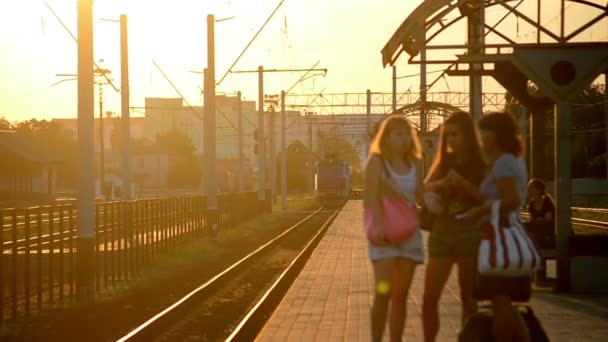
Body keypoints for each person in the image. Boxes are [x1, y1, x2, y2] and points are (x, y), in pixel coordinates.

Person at [462, 112, 531, 342]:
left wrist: (480, 211)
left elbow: (510, 201)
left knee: (500, 301)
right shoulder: (510, 160)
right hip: (503, 231)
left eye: (484, 131)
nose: (481, 136)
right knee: (505, 303)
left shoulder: (503, 163)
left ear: (495, 134)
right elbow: (492, 196)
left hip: (498, 235)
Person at [421, 111, 487, 342]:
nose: (450, 140)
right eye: (447, 135)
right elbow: (422, 191)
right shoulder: (443, 163)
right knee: (429, 296)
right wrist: (439, 184)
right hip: (440, 234)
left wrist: (464, 186)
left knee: (469, 299)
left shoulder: (480, 164)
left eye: (455, 135)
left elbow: (488, 200)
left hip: (469, 234)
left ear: (468, 135)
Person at [365, 115, 425, 342]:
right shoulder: (377, 162)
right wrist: (380, 226)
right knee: (383, 293)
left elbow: (419, 195)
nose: (404, 138)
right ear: (387, 138)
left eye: (407, 133)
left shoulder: (415, 163)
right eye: (398, 134)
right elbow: (371, 197)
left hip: (409, 235)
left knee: (400, 297)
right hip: (384, 237)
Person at [527, 178, 556, 250]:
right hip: (539, 233)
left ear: (538, 190)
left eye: (531, 188)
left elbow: (548, 221)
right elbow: (532, 221)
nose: (529, 191)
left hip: (549, 234)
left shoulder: (547, 202)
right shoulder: (531, 205)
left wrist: (537, 222)